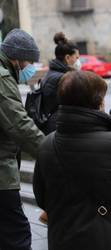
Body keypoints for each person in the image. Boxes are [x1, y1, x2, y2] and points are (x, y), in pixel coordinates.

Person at [33, 71, 111, 250]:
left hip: (61, 240)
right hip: (106, 240)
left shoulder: (47, 144)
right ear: (98, 104)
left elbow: (42, 198)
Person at [0, 28, 45, 250]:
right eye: (29, 62)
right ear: (16, 58)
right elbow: (19, 124)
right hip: (1, 172)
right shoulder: (1, 77)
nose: (30, 68)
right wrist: (50, 150)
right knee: (17, 235)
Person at [40, 32, 80, 135]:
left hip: (52, 125)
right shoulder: (63, 78)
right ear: (67, 58)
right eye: (76, 57)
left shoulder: (51, 73)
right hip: (59, 128)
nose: (78, 61)